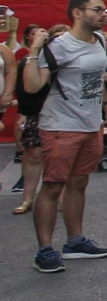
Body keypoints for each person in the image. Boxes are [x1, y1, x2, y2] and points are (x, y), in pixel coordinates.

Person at [21, 0, 107, 272]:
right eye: (97, 9)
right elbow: (32, 85)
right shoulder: (58, 46)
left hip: (90, 125)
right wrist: (34, 50)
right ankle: (45, 250)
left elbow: (97, 78)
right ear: (77, 13)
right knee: (52, 186)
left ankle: (74, 241)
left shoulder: (98, 41)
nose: (104, 14)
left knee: (79, 182)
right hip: (61, 126)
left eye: (104, 9)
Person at [11, 25, 46, 214]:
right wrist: (23, 113)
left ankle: (62, 198)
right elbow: (24, 90)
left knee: (59, 158)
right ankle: (28, 198)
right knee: (33, 155)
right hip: (36, 113)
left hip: (60, 114)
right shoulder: (27, 60)